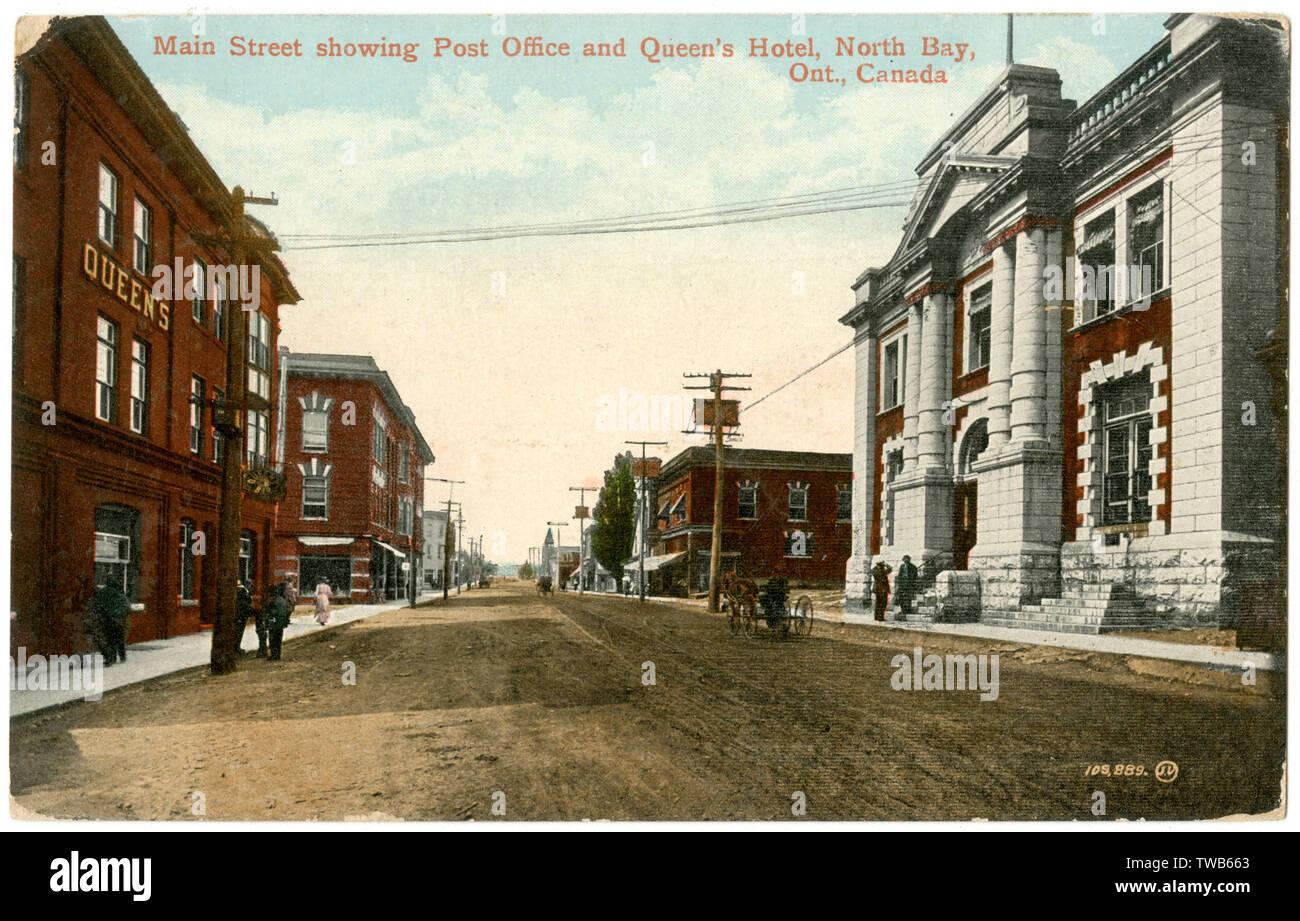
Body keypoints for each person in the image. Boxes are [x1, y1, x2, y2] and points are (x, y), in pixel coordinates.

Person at [85, 580, 129, 666]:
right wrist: (119, 614)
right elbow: (127, 608)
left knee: (109, 639)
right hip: (118, 620)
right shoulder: (120, 595)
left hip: (106, 620)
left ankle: (111, 658)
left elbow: (98, 606)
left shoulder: (103, 593)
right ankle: (121, 656)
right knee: (119, 639)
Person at [264, 580, 290, 661]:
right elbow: (287, 610)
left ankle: (273, 655)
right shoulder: (282, 600)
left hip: (274, 622)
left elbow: (272, 612)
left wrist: (268, 615)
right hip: (281, 623)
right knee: (278, 640)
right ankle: (278, 655)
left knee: (272, 639)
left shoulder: (273, 600)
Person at [235, 580, 254, 655]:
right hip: (242, 615)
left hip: (237, 614)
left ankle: (236, 647)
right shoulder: (243, 590)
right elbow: (247, 603)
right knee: (239, 632)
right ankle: (237, 647)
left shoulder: (237, 590)